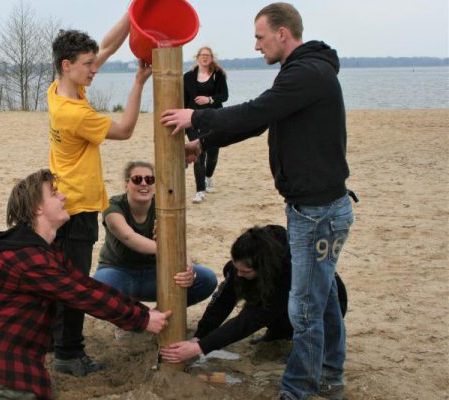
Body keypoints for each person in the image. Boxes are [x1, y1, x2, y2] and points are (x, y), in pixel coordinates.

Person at [160, 3, 356, 400]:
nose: (255, 46)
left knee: (304, 307)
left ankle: (297, 390)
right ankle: (332, 375)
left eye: (259, 37)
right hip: (313, 209)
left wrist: (197, 119)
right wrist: (204, 143)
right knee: (325, 299)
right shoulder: (303, 72)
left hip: (318, 213)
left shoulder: (307, 73)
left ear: (283, 33)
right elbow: (260, 122)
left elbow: (256, 111)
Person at [0, 169, 171, 400]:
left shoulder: (41, 249)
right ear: (37, 208)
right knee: (31, 393)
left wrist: (142, 313)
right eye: (54, 193)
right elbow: (81, 295)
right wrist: (141, 319)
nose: (62, 197)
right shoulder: (28, 256)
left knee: (36, 383)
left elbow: (83, 284)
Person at [47, 12, 152, 377]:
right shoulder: (75, 113)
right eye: (88, 65)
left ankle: (50, 339)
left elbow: (105, 46)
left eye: (93, 63)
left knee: (59, 277)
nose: (95, 69)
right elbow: (123, 129)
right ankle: (68, 354)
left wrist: (133, 11)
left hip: (62, 202)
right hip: (77, 207)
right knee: (75, 283)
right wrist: (139, 81)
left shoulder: (59, 89)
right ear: (67, 65)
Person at [160, 225, 347, 363]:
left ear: (263, 268)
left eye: (245, 272)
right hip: (281, 303)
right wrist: (199, 336)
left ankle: (302, 344)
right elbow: (223, 300)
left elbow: (249, 320)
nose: (239, 274)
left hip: (323, 310)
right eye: (236, 268)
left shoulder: (287, 272)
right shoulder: (246, 258)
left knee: (297, 344)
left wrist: (199, 348)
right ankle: (278, 333)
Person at [93, 161, 218, 315]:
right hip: (119, 272)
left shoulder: (165, 206)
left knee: (206, 278)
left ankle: (160, 313)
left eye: (150, 180)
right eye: (137, 179)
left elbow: (177, 241)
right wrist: (169, 250)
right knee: (100, 286)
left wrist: (186, 266)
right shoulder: (113, 205)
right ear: (127, 184)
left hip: (156, 273)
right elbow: (128, 236)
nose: (144, 183)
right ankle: (134, 317)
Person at [183, 46, 228, 204]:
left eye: (208, 55)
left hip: (214, 118)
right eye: (202, 55)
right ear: (197, 57)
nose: (205, 58)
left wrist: (209, 100)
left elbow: (224, 96)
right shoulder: (188, 77)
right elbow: (183, 99)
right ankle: (200, 191)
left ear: (211, 58)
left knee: (213, 154)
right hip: (192, 120)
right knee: (199, 155)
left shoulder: (218, 75)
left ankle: (208, 177)